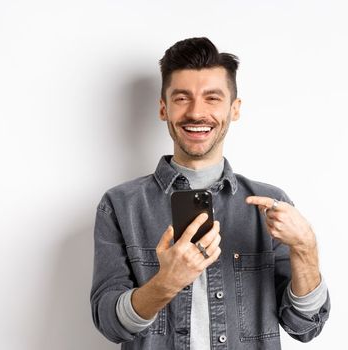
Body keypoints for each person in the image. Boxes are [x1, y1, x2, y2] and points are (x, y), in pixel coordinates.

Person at [90, 37, 330, 350]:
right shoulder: (120, 205)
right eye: (181, 98)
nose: (196, 112)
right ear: (164, 108)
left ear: (235, 109)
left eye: (212, 98)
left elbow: (304, 326)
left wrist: (306, 248)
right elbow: (110, 322)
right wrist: (166, 283)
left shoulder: (271, 203)